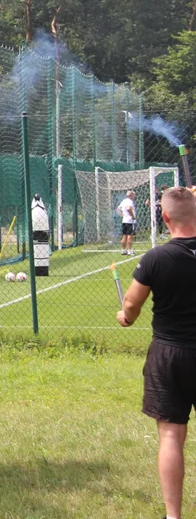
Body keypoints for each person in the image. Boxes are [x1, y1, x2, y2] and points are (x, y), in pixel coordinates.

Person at [117, 187, 196, 519]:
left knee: (170, 435)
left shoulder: (155, 258)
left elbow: (131, 306)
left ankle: (173, 516)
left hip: (170, 354)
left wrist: (125, 317)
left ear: (164, 218)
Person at [118, 189, 137, 255]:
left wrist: (122, 215)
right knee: (130, 236)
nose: (134, 196)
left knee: (124, 236)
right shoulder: (130, 201)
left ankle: (123, 250)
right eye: (134, 195)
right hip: (130, 221)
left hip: (124, 221)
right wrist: (132, 216)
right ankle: (129, 250)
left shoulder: (123, 201)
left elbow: (118, 209)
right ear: (131, 195)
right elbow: (128, 208)